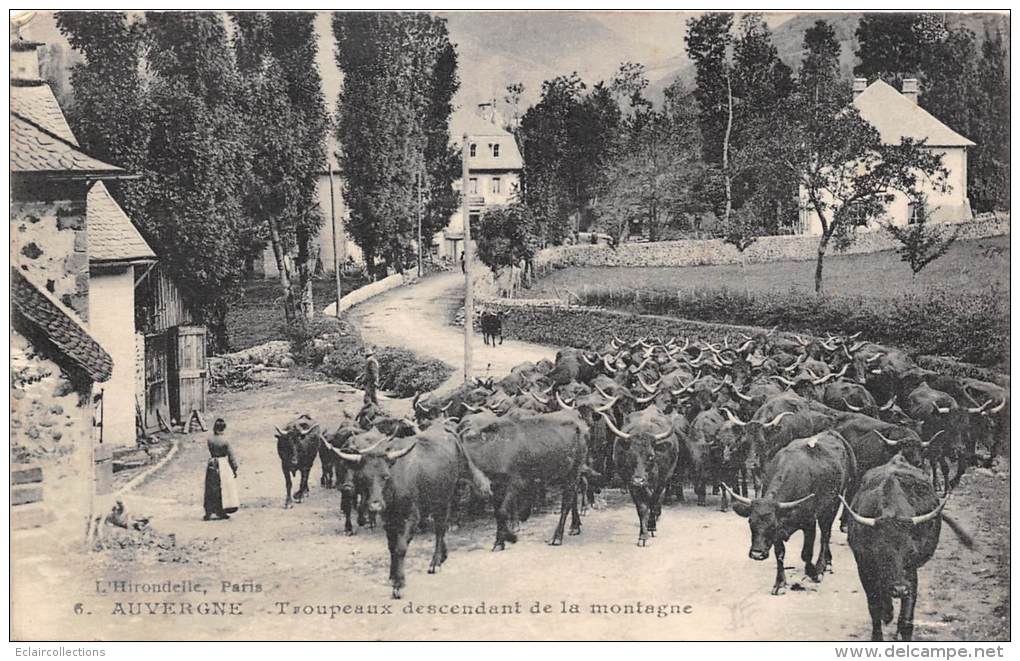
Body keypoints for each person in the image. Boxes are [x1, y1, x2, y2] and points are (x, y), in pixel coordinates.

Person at [203, 418, 239, 521]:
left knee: (211, 488)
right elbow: (231, 457)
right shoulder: (225, 441)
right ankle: (221, 511)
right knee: (223, 488)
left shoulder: (210, 440)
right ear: (223, 428)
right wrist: (234, 469)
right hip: (223, 464)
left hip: (212, 463)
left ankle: (209, 512)